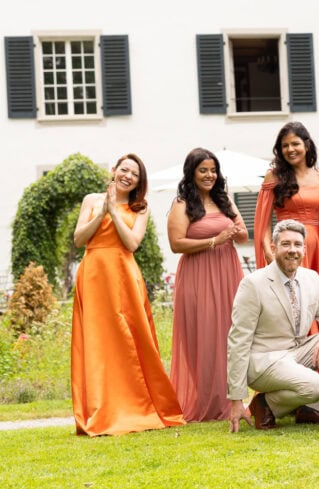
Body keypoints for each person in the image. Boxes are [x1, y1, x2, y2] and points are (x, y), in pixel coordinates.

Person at [71, 153, 184, 436]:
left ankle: (138, 404)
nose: (128, 176)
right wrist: (101, 212)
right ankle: (103, 407)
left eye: (134, 174)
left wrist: (113, 212)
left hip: (123, 274)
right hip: (94, 274)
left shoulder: (140, 207)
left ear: (139, 181)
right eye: (124, 170)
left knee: (131, 339)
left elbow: (132, 243)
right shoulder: (90, 200)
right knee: (98, 342)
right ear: (113, 170)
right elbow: (79, 239)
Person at [226, 220, 319, 432]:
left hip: (297, 352)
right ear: (273, 248)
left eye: (297, 245)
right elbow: (238, 340)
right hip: (264, 361)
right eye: (286, 244)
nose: (292, 250)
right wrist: (236, 398)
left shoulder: (311, 278)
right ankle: (265, 405)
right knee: (315, 385)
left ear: (304, 249)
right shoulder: (253, 284)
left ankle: (312, 409)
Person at [167, 148, 247, 422]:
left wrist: (235, 231)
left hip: (227, 273)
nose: (209, 175)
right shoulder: (182, 204)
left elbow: (243, 234)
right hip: (198, 275)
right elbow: (177, 244)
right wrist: (215, 240)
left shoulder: (224, 200)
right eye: (203, 170)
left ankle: (231, 400)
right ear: (191, 173)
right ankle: (205, 401)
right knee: (202, 335)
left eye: (213, 170)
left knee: (229, 334)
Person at [254, 122, 319, 283]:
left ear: (307, 145)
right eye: (285, 146)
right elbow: (264, 223)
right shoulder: (273, 176)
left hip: (315, 247)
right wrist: (269, 252)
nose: (290, 149)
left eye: (295, 144)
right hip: (285, 247)